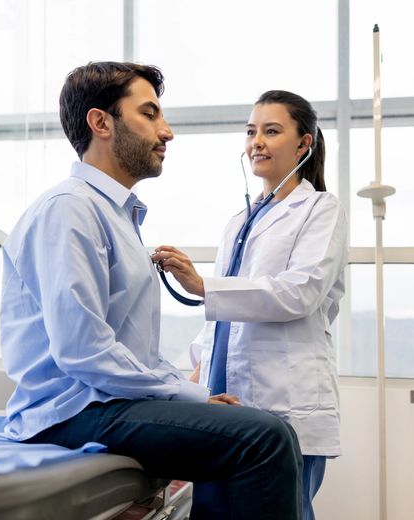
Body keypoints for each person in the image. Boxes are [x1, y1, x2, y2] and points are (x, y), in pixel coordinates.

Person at [0, 63, 303, 518]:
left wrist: (189, 391)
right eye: (150, 114)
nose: (167, 132)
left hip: (104, 401)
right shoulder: (69, 210)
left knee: (262, 431)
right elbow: (84, 351)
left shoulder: (119, 218)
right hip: (70, 412)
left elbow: (137, 353)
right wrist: (188, 395)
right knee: (264, 438)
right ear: (102, 123)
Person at [151, 90, 348, 520]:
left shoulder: (320, 209)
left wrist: (203, 284)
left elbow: (301, 291)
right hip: (226, 398)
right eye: (251, 131)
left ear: (303, 143)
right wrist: (195, 371)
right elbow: (222, 318)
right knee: (214, 511)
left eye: (272, 131)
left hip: (286, 400)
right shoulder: (238, 222)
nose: (256, 141)